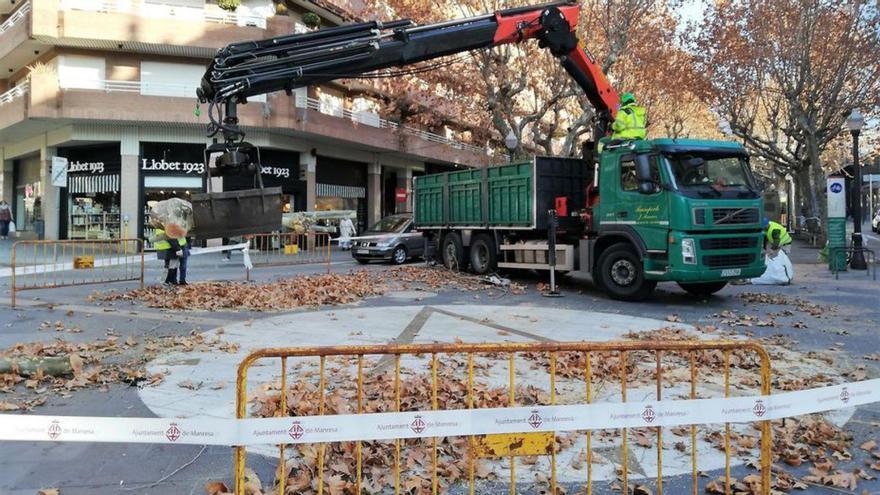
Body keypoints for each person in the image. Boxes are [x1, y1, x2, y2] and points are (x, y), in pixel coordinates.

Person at [149, 220, 184, 287]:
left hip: (164, 249)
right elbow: (171, 238)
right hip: (169, 249)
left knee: (169, 266)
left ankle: (167, 282)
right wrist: (178, 249)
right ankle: (165, 282)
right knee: (170, 267)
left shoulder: (159, 226)